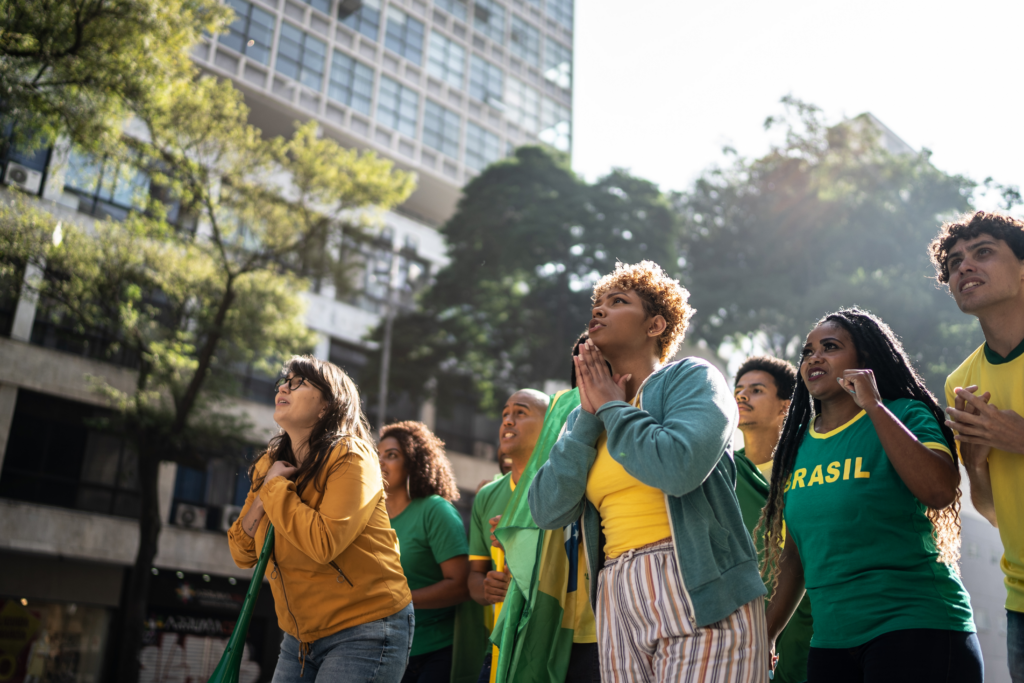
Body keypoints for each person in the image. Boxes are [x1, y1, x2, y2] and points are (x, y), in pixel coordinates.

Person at [529, 260, 768, 683]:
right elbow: (546, 509)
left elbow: (679, 467)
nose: (597, 311)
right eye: (597, 303)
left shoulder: (691, 378)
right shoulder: (585, 418)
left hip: (698, 582)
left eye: (617, 302)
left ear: (655, 325)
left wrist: (611, 407)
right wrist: (589, 419)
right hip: (615, 591)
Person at [761, 309, 981, 683]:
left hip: (915, 627)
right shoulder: (799, 444)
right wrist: (765, 634)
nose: (815, 357)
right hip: (831, 643)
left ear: (864, 359)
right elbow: (797, 555)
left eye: (830, 347)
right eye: (807, 351)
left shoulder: (905, 413)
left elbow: (940, 491)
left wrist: (874, 407)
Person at [228, 356, 413, 682]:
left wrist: (274, 490)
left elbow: (324, 542)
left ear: (328, 405)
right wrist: (264, 496)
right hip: (298, 638)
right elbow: (242, 553)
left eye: (299, 382)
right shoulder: (269, 466)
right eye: (284, 380)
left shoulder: (352, 455)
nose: (284, 386)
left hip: (365, 629)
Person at [930, 211, 1024, 681]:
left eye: (983, 252)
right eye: (953, 262)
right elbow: (989, 509)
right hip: (1021, 598)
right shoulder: (960, 383)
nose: (963, 266)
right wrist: (978, 465)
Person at [733, 356, 813, 683]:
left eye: (756, 390)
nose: (742, 396)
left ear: (785, 405)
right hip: (736, 625)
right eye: (738, 390)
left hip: (804, 619)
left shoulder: (809, 467)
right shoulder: (722, 471)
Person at [469, 388, 550, 683]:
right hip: (499, 648)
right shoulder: (486, 496)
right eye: (505, 414)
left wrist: (520, 536)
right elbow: (474, 577)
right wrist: (485, 589)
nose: (508, 421)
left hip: (548, 643)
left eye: (521, 412)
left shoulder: (561, 489)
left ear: (549, 424)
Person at [378, 421, 469, 683]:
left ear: (414, 462)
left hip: (433, 655)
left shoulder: (435, 510)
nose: (381, 462)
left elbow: (461, 586)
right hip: (386, 653)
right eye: (378, 455)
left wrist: (395, 601)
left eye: (392, 455)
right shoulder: (373, 518)